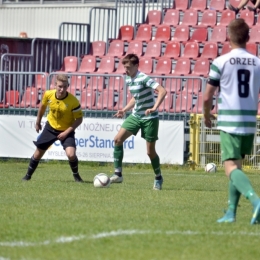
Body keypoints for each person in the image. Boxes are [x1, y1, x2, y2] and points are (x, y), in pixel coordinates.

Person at [203, 18, 260, 224]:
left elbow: (208, 96)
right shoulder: (257, 62)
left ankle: (255, 200)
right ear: (248, 37)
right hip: (249, 121)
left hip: (229, 121)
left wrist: (207, 114)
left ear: (228, 37)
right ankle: (231, 213)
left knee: (231, 168)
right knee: (237, 166)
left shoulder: (221, 62)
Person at [110, 54, 167, 190]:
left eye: (128, 67)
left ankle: (158, 177)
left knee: (150, 152)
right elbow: (136, 98)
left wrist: (154, 108)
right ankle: (118, 174)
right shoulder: (129, 79)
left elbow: (162, 91)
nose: (126, 70)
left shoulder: (143, 78)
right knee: (117, 140)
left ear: (136, 66)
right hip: (136, 116)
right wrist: (124, 110)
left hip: (150, 119)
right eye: (124, 67)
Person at [22, 74, 84, 182]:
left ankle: (76, 175)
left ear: (67, 86)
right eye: (60, 86)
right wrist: (38, 122)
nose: (62, 89)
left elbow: (79, 120)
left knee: (71, 154)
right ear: (55, 85)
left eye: (65, 87)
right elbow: (42, 108)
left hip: (66, 130)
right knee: (37, 154)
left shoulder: (73, 101)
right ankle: (27, 176)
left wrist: (66, 133)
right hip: (50, 128)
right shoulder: (48, 94)